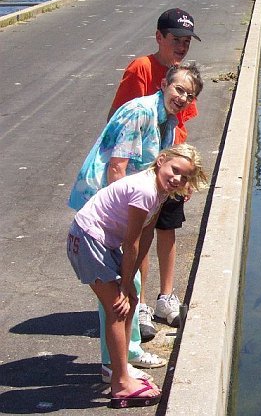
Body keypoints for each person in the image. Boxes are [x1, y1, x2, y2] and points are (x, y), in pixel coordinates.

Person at [69, 62, 203, 380]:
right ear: (163, 84)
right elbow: (118, 167)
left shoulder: (168, 121)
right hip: (107, 208)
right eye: (179, 89)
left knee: (131, 286)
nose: (183, 98)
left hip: (132, 207)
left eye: (190, 94)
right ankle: (114, 365)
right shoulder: (139, 112)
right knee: (118, 290)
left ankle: (126, 354)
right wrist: (120, 226)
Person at [66, 145, 208, 408]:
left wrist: (129, 283)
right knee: (117, 309)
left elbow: (147, 235)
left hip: (103, 242)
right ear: (161, 161)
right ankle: (120, 383)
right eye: (174, 170)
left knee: (129, 303)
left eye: (184, 177)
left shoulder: (162, 193)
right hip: (88, 240)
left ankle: (119, 369)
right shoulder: (145, 190)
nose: (177, 179)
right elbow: (130, 243)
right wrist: (123, 285)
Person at [108, 8, 201, 342]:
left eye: (187, 40)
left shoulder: (184, 76)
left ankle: (166, 297)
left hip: (171, 166)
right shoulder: (142, 69)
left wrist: (183, 173)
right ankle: (142, 303)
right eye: (175, 39)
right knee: (141, 236)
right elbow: (120, 118)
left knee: (168, 227)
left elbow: (181, 124)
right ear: (159, 37)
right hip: (142, 170)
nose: (181, 45)